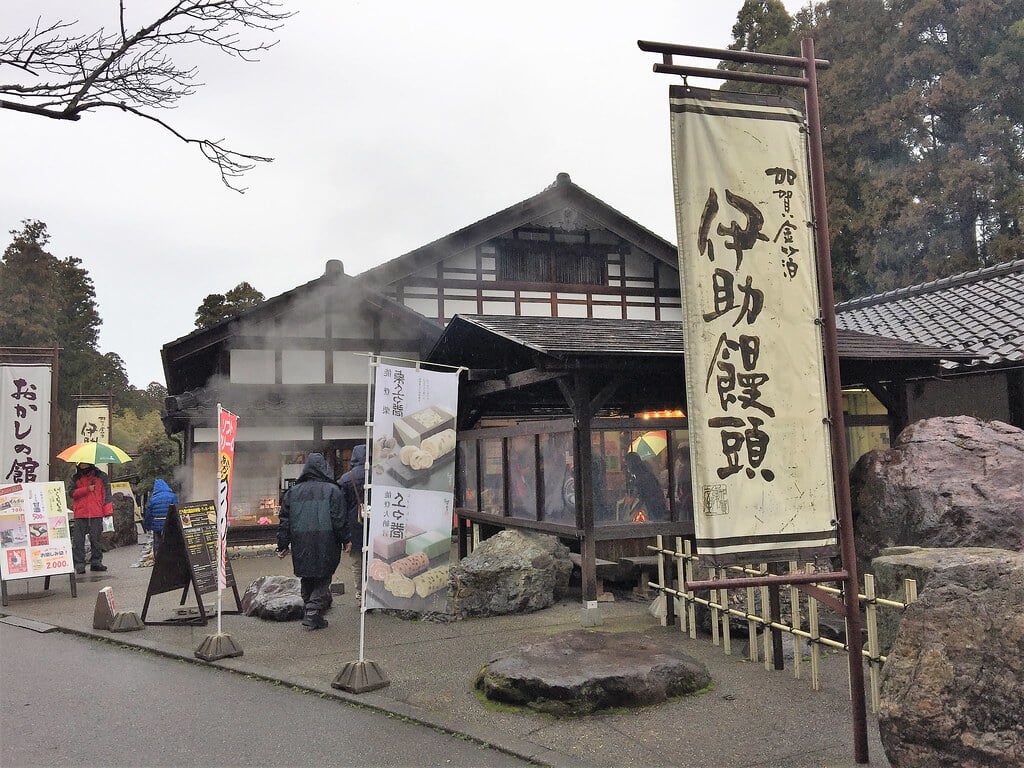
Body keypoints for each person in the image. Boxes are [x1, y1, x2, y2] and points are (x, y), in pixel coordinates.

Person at [276, 453, 348, 630]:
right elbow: (339, 519)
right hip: (327, 541)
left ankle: (310, 609)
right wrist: (346, 539)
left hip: (300, 541)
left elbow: (285, 521)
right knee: (323, 577)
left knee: (306, 576)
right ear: (324, 468)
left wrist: (282, 544)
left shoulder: (292, 492)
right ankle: (313, 611)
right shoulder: (333, 491)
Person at [69, 462, 113, 573]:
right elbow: (71, 493)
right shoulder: (75, 478)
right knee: (78, 541)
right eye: (81, 464)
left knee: (96, 539)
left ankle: (96, 562)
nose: (83, 466)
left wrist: (107, 511)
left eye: (85, 464)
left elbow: (107, 494)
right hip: (80, 513)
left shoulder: (101, 477)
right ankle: (79, 564)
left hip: (96, 512)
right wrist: (86, 489)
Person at [338, 444, 368, 606]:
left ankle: (360, 594)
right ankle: (373, 594)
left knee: (357, 562)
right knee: (374, 561)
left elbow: (341, 508)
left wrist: (344, 535)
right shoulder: (377, 476)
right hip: (375, 524)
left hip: (354, 526)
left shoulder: (345, 479)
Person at [624, 451, 668, 522]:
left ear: (631, 464)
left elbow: (642, 497)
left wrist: (631, 513)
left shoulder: (642, 478)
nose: (627, 468)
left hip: (654, 506)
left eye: (627, 465)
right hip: (656, 505)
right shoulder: (646, 473)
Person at [142, 478, 177, 555]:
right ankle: (170, 558)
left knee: (157, 542)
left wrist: (147, 525)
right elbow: (176, 510)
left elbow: (149, 513)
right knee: (170, 541)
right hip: (169, 524)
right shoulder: (173, 496)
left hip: (157, 524)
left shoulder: (153, 499)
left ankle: (157, 558)